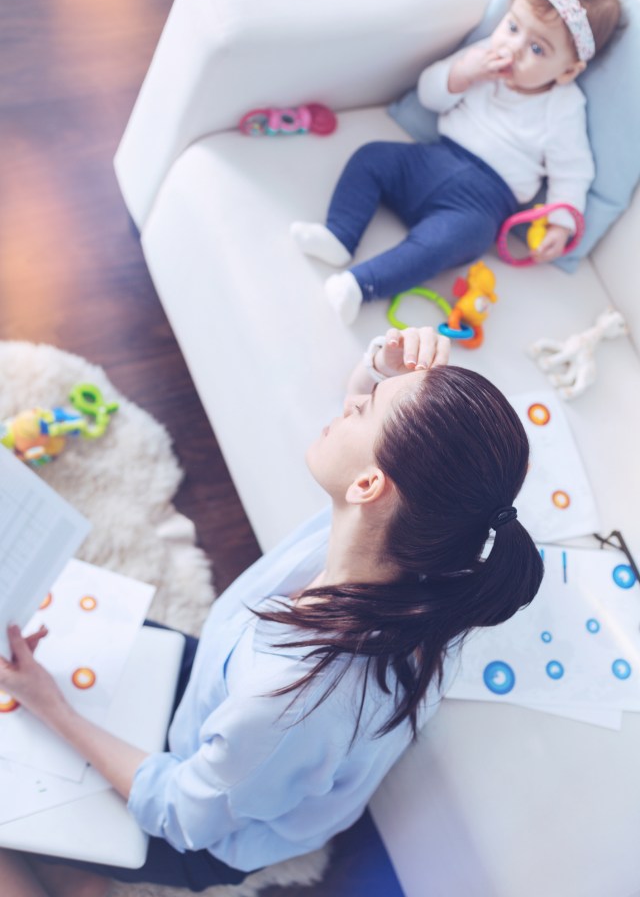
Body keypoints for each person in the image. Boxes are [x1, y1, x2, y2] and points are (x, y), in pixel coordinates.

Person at [0, 327, 544, 897]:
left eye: (369, 406)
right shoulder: (414, 550)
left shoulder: (291, 699)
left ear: (368, 486)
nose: (355, 398)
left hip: (202, 826)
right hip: (218, 693)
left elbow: (183, 815)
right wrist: (382, 362)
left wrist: (52, 707)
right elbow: (363, 438)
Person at [290, 0, 622, 324]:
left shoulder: (564, 106)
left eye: (537, 48)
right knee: (371, 157)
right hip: (433, 159)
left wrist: (560, 224)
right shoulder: (481, 57)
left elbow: (572, 170)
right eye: (511, 27)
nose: (513, 48)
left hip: (483, 201)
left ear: (568, 70)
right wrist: (462, 74)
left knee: (451, 241)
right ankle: (340, 235)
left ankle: (360, 285)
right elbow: (430, 95)